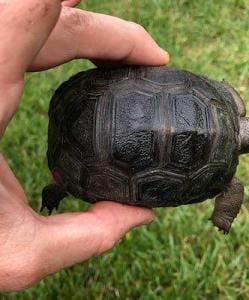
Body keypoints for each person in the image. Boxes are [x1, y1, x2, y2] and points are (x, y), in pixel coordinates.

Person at [0, 0, 169, 292]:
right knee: (64, 182)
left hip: (91, 103)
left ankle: (59, 186)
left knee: (67, 181)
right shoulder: (224, 180)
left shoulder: (223, 99)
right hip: (97, 134)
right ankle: (58, 186)